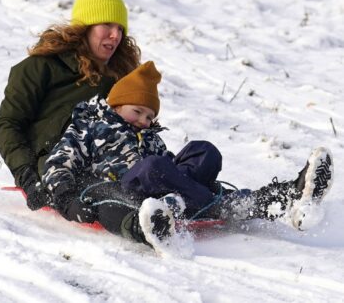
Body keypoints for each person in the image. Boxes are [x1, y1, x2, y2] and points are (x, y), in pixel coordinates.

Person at [41, 61, 334, 249]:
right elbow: (58, 163)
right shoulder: (90, 126)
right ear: (117, 105)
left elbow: (170, 167)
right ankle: (220, 207)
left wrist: (185, 173)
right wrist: (66, 197)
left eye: (149, 116)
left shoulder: (149, 136)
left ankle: (289, 197)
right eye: (138, 111)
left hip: (164, 187)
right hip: (120, 188)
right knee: (155, 166)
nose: (144, 120)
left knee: (204, 151)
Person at [0, 0, 141, 211]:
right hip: (59, 166)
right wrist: (27, 176)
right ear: (85, 28)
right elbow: (8, 123)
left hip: (113, 161)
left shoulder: (119, 80)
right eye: (107, 24)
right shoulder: (41, 67)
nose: (116, 35)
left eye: (120, 28)